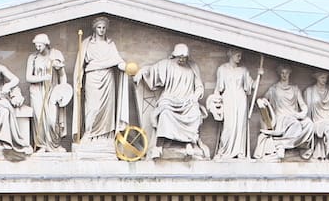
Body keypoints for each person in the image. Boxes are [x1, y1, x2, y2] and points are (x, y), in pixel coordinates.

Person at [135, 43, 207, 158]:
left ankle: (189, 143)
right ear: (175, 56)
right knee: (165, 113)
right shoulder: (167, 65)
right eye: (180, 57)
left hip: (187, 101)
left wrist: (194, 97)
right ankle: (158, 146)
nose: (182, 60)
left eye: (184, 58)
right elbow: (153, 70)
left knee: (195, 113)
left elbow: (199, 86)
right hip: (170, 99)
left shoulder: (193, 67)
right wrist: (142, 71)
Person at [74, 15, 126, 144]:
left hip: (108, 78)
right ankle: (89, 133)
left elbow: (117, 60)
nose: (102, 30)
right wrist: (78, 79)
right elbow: (80, 63)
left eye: (104, 28)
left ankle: (105, 136)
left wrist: (124, 66)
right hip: (92, 77)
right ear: (95, 28)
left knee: (107, 109)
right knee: (92, 107)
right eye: (99, 27)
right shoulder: (87, 43)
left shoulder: (110, 44)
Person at [253, 66, 312, 159]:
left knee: (309, 124)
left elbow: (303, 105)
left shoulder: (295, 89)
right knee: (295, 124)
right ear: (279, 74)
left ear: (289, 74)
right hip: (281, 117)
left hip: (294, 116)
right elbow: (264, 99)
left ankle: (289, 145)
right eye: (282, 73)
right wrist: (260, 101)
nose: (284, 75)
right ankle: (281, 145)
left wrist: (303, 113)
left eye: (286, 73)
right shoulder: (274, 89)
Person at [26, 33, 68, 152]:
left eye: (40, 45)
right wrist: (43, 78)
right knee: (39, 118)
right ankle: (41, 145)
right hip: (37, 91)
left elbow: (62, 76)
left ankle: (55, 145)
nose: (37, 48)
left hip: (52, 91)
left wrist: (62, 91)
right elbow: (28, 77)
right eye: (36, 45)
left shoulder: (55, 55)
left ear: (46, 44)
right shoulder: (32, 58)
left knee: (52, 119)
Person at [210, 49, 253, 160]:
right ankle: (223, 150)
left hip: (241, 98)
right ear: (231, 55)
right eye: (238, 55)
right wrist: (215, 103)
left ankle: (240, 152)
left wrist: (260, 75)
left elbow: (251, 85)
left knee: (240, 126)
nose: (240, 58)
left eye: (241, 56)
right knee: (228, 126)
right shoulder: (222, 69)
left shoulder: (243, 70)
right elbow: (218, 88)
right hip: (228, 97)